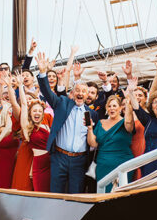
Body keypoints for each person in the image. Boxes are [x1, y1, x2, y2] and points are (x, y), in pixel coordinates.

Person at [36, 50, 92, 194]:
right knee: (55, 193)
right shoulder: (62, 103)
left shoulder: (91, 114)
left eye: (83, 92)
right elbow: (47, 92)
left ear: (87, 96)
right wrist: (43, 72)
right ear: (72, 93)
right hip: (59, 158)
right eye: (77, 90)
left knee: (76, 195)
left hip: (79, 161)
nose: (80, 93)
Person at [87, 86, 136, 189]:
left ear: (120, 108)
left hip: (122, 165)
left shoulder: (125, 122)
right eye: (109, 106)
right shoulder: (100, 123)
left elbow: (129, 124)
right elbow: (93, 144)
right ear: (106, 108)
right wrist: (90, 129)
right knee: (103, 194)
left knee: (120, 195)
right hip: (102, 165)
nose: (112, 108)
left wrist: (128, 102)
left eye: (114, 106)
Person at [18, 88, 52, 192]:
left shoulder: (47, 126)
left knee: (51, 194)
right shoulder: (28, 127)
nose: (37, 113)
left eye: (39, 111)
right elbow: (23, 104)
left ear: (42, 114)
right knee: (40, 193)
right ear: (30, 113)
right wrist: (20, 85)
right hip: (40, 166)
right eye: (34, 111)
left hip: (51, 163)